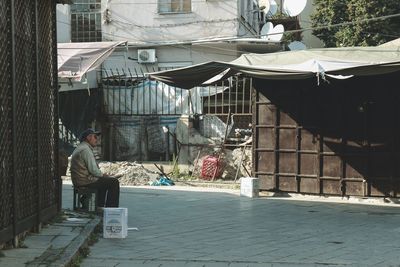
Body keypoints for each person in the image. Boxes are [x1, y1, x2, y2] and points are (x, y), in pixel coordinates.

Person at [70, 128, 120, 207]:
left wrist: (103, 176)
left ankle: (99, 207)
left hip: (81, 180)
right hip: (84, 181)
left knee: (104, 182)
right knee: (114, 182)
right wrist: (104, 175)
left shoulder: (83, 147)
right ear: (88, 137)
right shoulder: (85, 149)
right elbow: (93, 170)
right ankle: (111, 209)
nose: (97, 140)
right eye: (95, 137)